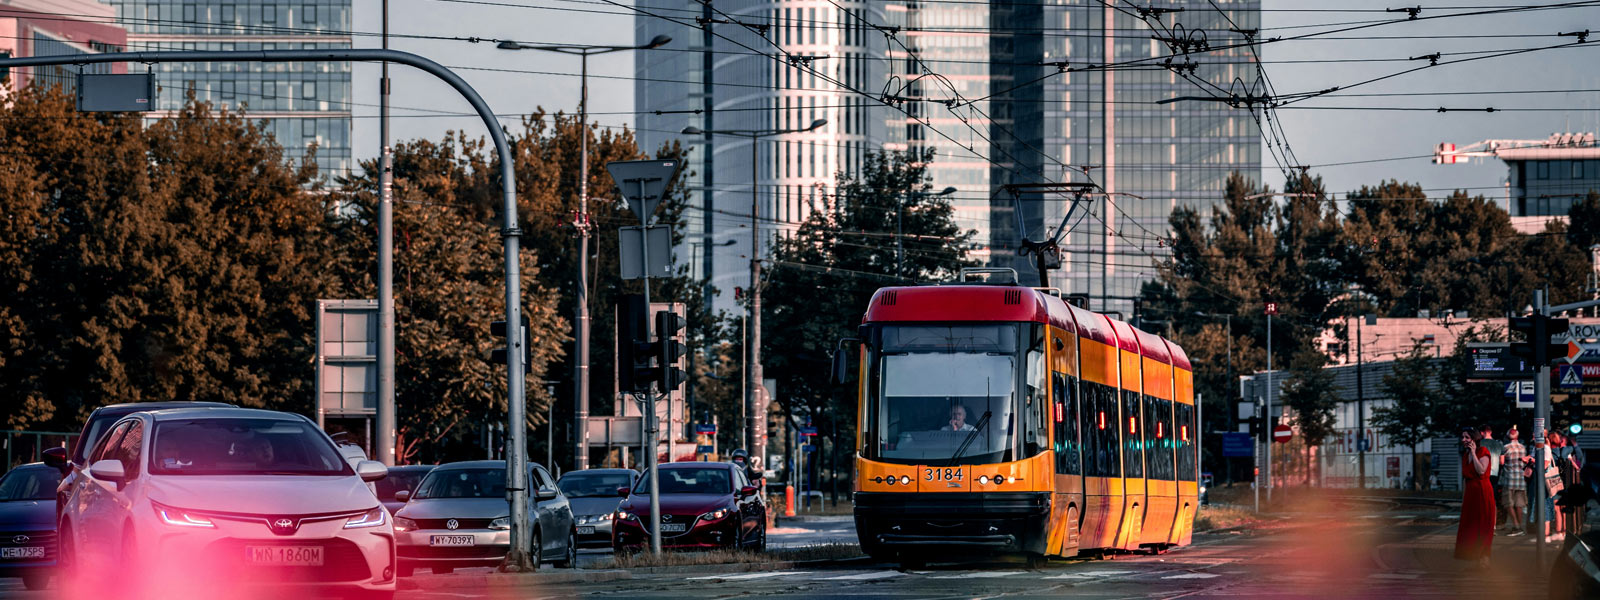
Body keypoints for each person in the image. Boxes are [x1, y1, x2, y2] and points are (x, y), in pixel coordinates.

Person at [1454, 425, 1495, 566]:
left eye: (1467, 437)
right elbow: (1466, 478)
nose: (1464, 440)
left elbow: (1481, 471)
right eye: (1463, 437)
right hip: (1471, 493)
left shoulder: (1483, 451)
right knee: (1470, 526)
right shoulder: (1465, 456)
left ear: (1474, 438)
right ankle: (1474, 556)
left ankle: (1484, 557)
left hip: (1482, 491)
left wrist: (1473, 452)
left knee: (1483, 524)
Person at [1499, 425, 1528, 536]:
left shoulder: (1506, 448)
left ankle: (1515, 525)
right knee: (1519, 505)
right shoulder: (1523, 448)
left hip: (1509, 479)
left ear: (1507, 436)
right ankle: (1519, 527)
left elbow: (1502, 462)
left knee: (1508, 503)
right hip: (1521, 479)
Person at [1477, 424, 1504, 528]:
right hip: (1494, 474)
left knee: (1482, 499)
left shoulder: (1480, 443)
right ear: (1491, 432)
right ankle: (1493, 525)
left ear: (1482, 433)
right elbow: (1502, 462)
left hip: (1483, 474)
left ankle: (1483, 524)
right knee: (1493, 500)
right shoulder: (1499, 444)